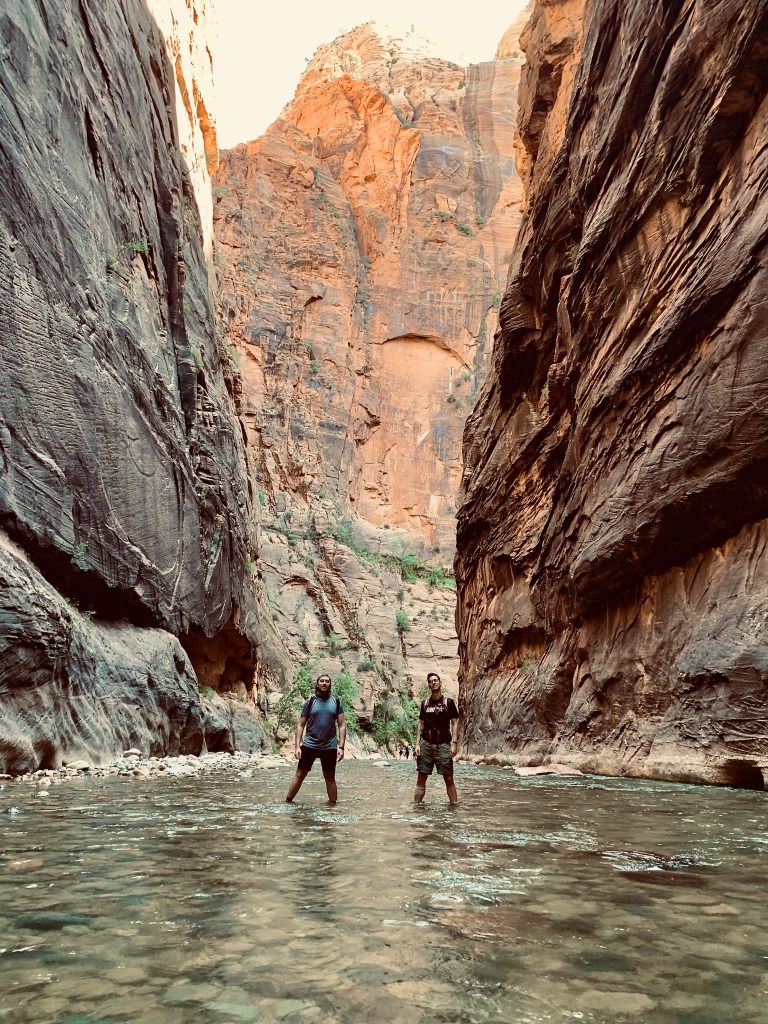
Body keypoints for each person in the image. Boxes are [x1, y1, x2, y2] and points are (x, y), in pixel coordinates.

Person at [285, 673, 346, 804]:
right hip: (309, 745)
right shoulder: (309, 702)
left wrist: (341, 747)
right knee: (300, 774)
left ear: (330, 685)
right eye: (322, 681)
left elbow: (342, 725)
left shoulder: (336, 702)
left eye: (327, 681)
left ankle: (332, 808)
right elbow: (300, 725)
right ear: (317, 684)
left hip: (329, 746)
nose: (324, 683)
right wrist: (296, 747)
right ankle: (288, 802)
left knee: (330, 777)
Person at [414, 671, 459, 804]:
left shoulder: (448, 702)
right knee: (421, 776)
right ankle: (416, 807)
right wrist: (417, 744)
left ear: (440, 683)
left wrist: (454, 743)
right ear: (428, 685)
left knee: (448, 777)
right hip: (426, 744)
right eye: (431, 681)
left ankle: (454, 807)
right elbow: (421, 724)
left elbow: (455, 723)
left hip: (443, 744)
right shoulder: (425, 704)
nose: (433, 682)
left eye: (435, 680)